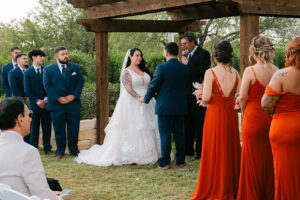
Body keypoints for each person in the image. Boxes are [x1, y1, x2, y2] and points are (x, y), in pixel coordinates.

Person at [75, 48, 161, 166]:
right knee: (133, 127)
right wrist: (139, 98)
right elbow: (128, 88)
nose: (139, 58)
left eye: (140, 55)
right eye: (136, 55)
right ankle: (133, 155)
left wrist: (148, 97)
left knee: (149, 126)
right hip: (133, 102)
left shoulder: (144, 70)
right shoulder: (126, 71)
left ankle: (153, 153)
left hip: (148, 103)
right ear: (130, 57)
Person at [191, 40, 241, 200]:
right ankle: (231, 185)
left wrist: (201, 94)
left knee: (214, 148)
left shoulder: (210, 72)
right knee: (230, 148)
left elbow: (206, 97)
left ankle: (215, 187)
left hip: (215, 114)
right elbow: (239, 96)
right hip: (230, 114)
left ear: (214, 55)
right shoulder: (236, 73)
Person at [0, 97, 68, 200]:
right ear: (20, 119)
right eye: (29, 114)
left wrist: (49, 193)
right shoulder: (28, 152)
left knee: (52, 184)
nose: (31, 119)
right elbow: (42, 195)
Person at [237, 36, 278, 200]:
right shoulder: (277, 71)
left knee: (252, 161)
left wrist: (245, 112)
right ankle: (269, 194)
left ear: (253, 52)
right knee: (269, 159)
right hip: (271, 118)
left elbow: (242, 98)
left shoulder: (250, 71)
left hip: (253, 117)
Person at [261, 37, 300, 200]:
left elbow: (266, 104)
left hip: (284, 130)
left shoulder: (282, 75)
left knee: (285, 174)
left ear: (290, 53)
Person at [142, 42, 189, 169]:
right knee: (179, 134)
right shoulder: (185, 68)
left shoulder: (161, 68)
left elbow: (153, 85)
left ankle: (165, 163)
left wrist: (145, 99)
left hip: (165, 107)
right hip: (180, 106)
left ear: (166, 52)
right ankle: (180, 161)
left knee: (165, 135)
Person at [43, 46, 84, 160]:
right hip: (57, 105)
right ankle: (60, 151)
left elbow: (80, 82)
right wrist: (58, 98)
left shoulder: (75, 67)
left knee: (73, 128)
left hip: (73, 104)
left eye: (66, 53)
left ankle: (74, 150)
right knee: (59, 129)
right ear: (56, 56)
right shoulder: (48, 69)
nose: (66, 56)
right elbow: (47, 85)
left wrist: (73, 96)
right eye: (63, 54)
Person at [180, 31, 211, 160]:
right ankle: (188, 150)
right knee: (188, 124)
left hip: (199, 95)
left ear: (193, 41)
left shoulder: (203, 54)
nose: (183, 47)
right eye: (182, 44)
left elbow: (204, 72)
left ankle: (200, 152)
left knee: (199, 125)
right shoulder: (185, 56)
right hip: (186, 95)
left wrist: (189, 64)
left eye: (185, 44)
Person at [24, 49, 53, 155]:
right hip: (34, 105)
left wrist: (45, 100)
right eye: (41, 56)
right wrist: (37, 101)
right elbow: (27, 90)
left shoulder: (46, 70)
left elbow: (50, 87)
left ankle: (47, 149)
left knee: (47, 127)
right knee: (34, 127)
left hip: (46, 104)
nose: (43, 58)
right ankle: (33, 149)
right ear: (34, 57)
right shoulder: (28, 72)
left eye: (43, 56)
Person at [8, 53, 30, 143]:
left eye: (26, 58)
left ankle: (29, 143)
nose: (26, 60)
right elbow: (14, 88)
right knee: (20, 122)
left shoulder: (30, 70)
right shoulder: (12, 73)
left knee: (29, 122)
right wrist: (24, 99)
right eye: (24, 58)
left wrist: (30, 97)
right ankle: (20, 143)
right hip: (19, 101)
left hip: (31, 100)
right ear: (18, 61)